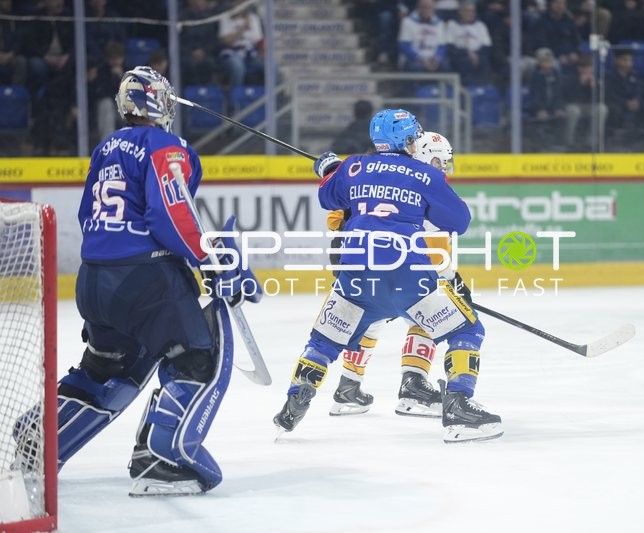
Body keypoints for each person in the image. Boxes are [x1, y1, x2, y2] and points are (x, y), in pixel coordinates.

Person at [15, 66, 260, 496]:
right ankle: (164, 458)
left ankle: (40, 441)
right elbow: (169, 212)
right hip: (145, 275)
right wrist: (209, 258)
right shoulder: (166, 145)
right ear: (158, 103)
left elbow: (89, 216)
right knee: (197, 358)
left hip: (92, 280)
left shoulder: (105, 147)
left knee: (108, 367)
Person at [274, 109, 503, 443]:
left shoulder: (355, 166)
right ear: (410, 139)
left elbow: (328, 195)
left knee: (323, 342)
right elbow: (459, 221)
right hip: (406, 275)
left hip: (354, 272)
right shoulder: (426, 175)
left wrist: (330, 170)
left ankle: (295, 399)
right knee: (467, 330)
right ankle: (458, 406)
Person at [328, 131, 459, 419]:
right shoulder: (425, 191)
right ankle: (413, 386)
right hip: (398, 268)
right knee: (430, 314)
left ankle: (348, 388)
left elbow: (335, 215)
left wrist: (336, 175)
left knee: (370, 318)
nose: (444, 169)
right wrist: (452, 282)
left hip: (353, 258)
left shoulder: (376, 177)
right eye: (441, 162)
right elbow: (438, 258)